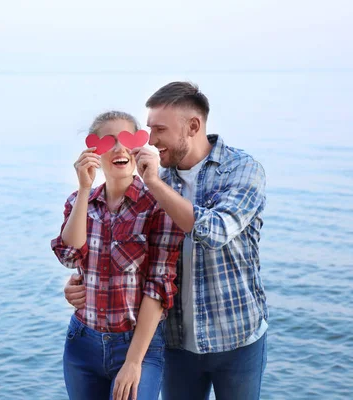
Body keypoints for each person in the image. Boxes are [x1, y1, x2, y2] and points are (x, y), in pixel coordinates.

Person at [65, 82, 268, 400]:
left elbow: (213, 231)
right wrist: (81, 282)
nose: (150, 140)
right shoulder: (155, 175)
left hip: (235, 335)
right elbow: (113, 246)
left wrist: (155, 183)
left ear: (193, 126)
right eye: (148, 130)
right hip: (175, 341)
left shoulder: (241, 171)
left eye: (159, 130)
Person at [51, 111, 184, 400]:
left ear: (139, 147)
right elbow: (70, 256)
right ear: (94, 152)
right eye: (108, 141)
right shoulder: (78, 201)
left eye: (126, 138)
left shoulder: (157, 205)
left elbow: (158, 286)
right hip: (82, 342)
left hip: (137, 344)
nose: (119, 148)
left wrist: (134, 362)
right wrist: (85, 188)